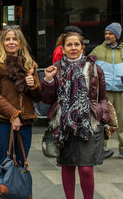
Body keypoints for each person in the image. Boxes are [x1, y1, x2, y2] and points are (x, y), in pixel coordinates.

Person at [42, 31, 109, 199]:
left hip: (89, 123)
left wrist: (102, 116)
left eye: (76, 44)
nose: (73, 48)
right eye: (69, 45)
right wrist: (48, 81)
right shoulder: (55, 68)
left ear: (82, 47)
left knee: (86, 168)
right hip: (64, 124)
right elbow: (48, 99)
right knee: (68, 166)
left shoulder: (94, 68)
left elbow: (103, 97)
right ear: (63, 49)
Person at [0, 27, 41, 169]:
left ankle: (21, 192)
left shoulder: (30, 65)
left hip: (25, 122)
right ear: (2, 42)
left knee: (22, 164)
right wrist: (13, 114)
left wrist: (33, 85)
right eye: (7, 39)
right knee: (7, 166)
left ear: (20, 42)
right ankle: (7, 192)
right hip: (3, 122)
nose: (11, 42)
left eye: (14, 39)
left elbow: (37, 98)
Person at [90, 22, 123, 159]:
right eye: (106, 33)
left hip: (121, 91)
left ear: (117, 35)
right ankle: (101, 148)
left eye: (110, 33)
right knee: (104, 119)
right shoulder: (98, 50)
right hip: (104, 91)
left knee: (121, 120)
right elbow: (88, 65)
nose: (107, 36)